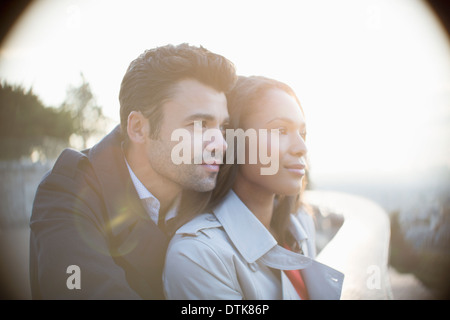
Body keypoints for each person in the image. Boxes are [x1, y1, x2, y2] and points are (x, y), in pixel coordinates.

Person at [29, 43, 237, 299]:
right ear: (139, 128)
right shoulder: (66, 190)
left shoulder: (211, 184)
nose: (221, 143)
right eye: (199, 124)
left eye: (222, 126)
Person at [163, 75, 344, 299]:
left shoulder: (300, 223)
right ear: (232, 140)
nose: (302, 148)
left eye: (302, 133)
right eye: (280, 131)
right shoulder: (198, 256)